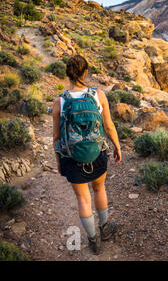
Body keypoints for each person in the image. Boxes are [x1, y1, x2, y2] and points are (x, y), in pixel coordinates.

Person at [52, 55, 122, 254]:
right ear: (85, 72)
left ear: (68, 74)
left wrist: (59, 160)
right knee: (99, 189)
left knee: (83, 199)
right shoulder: (98, 95)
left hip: (71, 158)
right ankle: (105, 229)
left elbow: (56, 137)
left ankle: (93, 240)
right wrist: (117, 147)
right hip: (97, 154)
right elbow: (108, 126)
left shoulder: (60, 101)